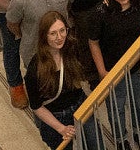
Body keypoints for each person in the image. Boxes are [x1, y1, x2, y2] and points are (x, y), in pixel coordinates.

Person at [83, 0, 140, 147]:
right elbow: (93, 42)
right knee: (116, 110)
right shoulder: (101, 12)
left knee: (139, 104)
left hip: (138, 67)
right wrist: (101, 71)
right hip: (112, 72)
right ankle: (120, 139)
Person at [24, 11, 91, 148]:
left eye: (62, 31)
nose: (59, 37)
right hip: (55, 116)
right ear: (44, 36)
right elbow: (36, 106)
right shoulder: (35, 68)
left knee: (95, 144)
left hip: (80, 104)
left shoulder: (72, 49)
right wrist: (61, 128)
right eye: (53, 33)